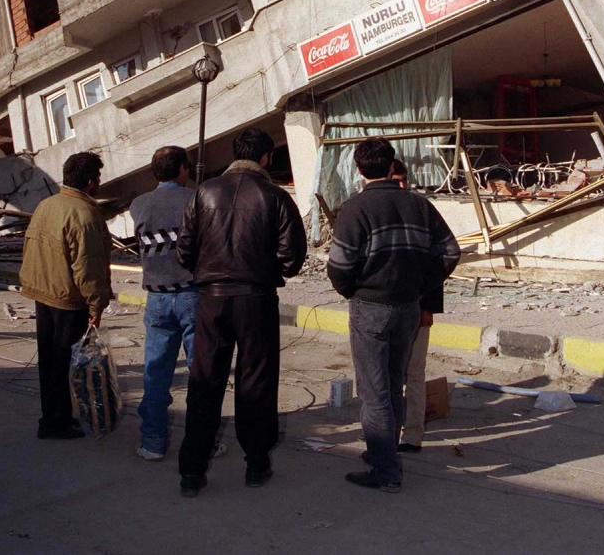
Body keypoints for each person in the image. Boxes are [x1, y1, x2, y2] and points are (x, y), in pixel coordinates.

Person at [176, 127, 307, 496]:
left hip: (212, 297)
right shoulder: (276, 196)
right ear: (265, 157)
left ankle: (192, 470)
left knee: (204, 382)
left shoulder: (205, 192)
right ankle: (256, 463)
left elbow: (184, 251)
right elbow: (292, 258)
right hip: (256, 297)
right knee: (256, 382)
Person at [327, 138, 460, 492]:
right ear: (391, 166)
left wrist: (352, 289)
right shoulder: (419, 205)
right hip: (407, 307)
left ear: (358, 169)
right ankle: (383, 452)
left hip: (371, 306)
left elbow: (339, 265)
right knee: (393, 384)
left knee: (375, 392)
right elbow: (450, 253)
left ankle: (385, 469)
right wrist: (420, 285)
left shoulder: (356, 209)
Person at [130, 145, 226, 463]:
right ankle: (203, 441)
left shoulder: (139, 204)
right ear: (184, 169)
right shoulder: (198, 199)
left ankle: (153, 441)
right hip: (192, 295)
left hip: (157, 298)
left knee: (156, 373)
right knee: (201, 372)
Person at [20, 151, 111, 440]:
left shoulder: (47, 205)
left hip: (43, 291)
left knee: (50, 361)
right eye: (97, 178)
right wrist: (96, 304)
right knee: (64, 363)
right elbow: (89, 266)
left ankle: (51, 417)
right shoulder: (84, 214)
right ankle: (57, 422)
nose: (98, 183)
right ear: (89, 182)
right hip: (68, 299)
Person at [389, 158, 442, 454]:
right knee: (383, 374)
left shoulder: (421, 210)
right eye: (396, 180)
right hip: (382, 308)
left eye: (404, 180)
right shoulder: (375, 210)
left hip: (415, 306)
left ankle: (412, 436)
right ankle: (385, 431)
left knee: (414, 373)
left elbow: (440, 260)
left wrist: (429, 307)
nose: (403, 186)